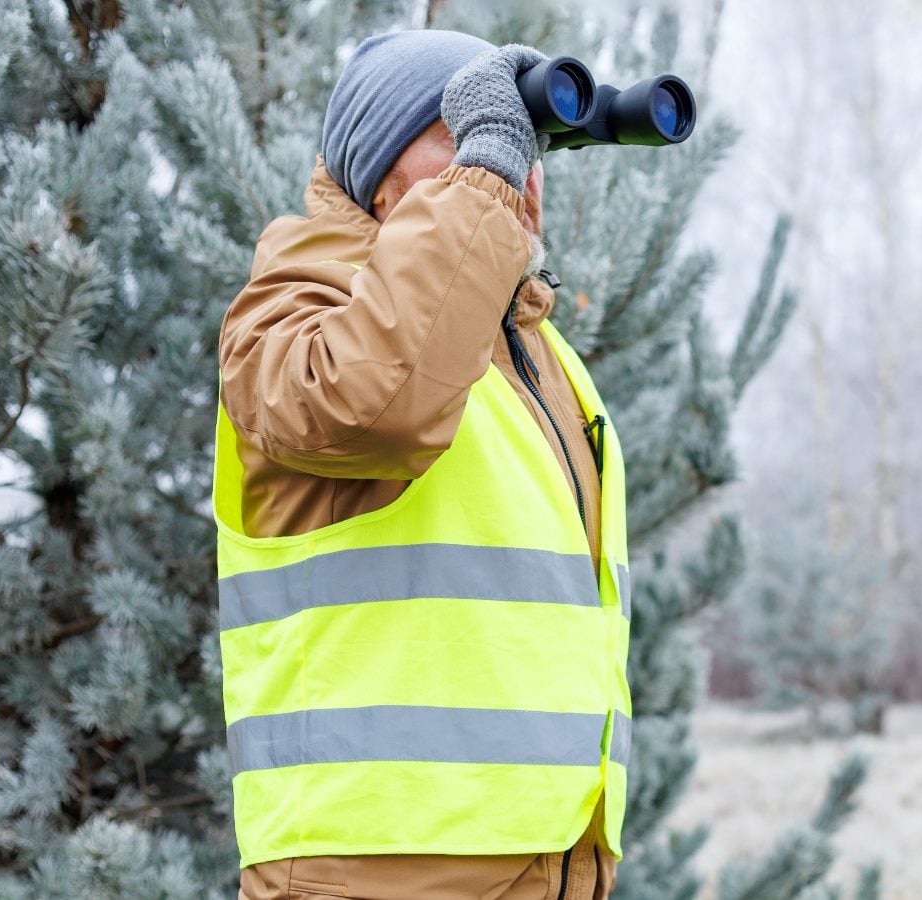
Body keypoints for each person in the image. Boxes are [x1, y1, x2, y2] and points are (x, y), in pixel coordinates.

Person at [213, 29, 633, 900]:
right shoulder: (291, 313)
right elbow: (374, 406)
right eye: (468, 132)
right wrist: (481, 182)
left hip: (545, 863)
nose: (512, 165)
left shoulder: (536, 354)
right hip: (366, 869)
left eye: (523, 140)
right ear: (376, 165)